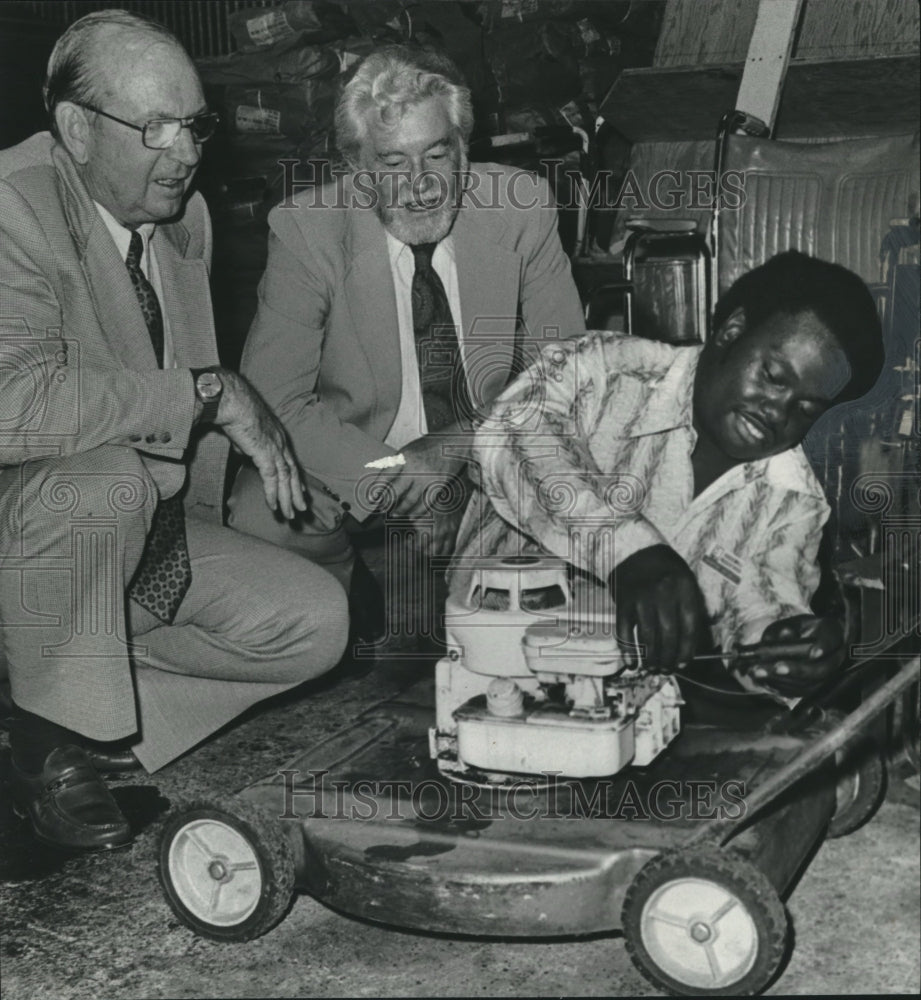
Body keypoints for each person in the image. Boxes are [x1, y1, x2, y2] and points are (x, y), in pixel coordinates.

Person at [0, 11, 348, 852]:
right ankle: (48, 747)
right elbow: (12, 404)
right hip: (37, 526)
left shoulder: (182, 218)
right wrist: (203, 394)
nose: (186, 151)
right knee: (105, 480)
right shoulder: (12, 206)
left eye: (194, 124)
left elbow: (177, 420)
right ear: (76, 128)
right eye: (155, 126)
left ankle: (78, 726)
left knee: (315, 621)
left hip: (127, 531)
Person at [227, 45, 586, 604]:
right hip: (356, 452)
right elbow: (274, 402)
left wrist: (453, 448)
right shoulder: (306, 233)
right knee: (263, 511)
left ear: (463, 150)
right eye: (393, 164)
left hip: (485, 443)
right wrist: (401, 478)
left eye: (437, 155)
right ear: (358, 169)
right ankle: (343, 602)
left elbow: (565, 369)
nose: (420, 185)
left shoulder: (522, 207)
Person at [451, 250, 885, 700]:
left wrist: (787, 647)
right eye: (773, 376)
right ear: (732, 331)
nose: (778, 410)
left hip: (616, 713)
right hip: (470, 677)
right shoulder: (604, 371)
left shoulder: (793, 500)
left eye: (806, 408)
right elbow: (511, 434)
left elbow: (763, 601)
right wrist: (626, 549)